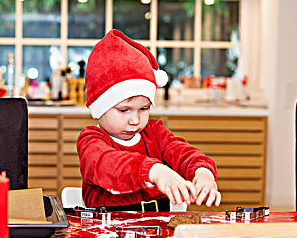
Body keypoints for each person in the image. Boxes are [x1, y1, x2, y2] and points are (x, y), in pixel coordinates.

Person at [77, 29, 221, 211]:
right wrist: (153, 171)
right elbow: (107, 164)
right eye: (124, 110)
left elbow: (183, 152)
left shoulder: (155, 133)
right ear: (100, 108)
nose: (135, 120)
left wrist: (203, 172)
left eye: (144, 108)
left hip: (158, 232)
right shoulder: (91, 140)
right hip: (106, 232)